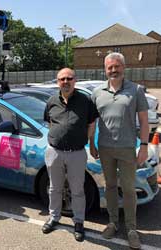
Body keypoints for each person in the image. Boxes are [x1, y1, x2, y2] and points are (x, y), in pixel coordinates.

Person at [91, 52, 149, 249]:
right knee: (110, 187)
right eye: (110, 67)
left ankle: (132, 229)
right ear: (105, 70)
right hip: (105, 148)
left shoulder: (136, 90)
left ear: (123, 68)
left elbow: (143, 120)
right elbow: (92, 121)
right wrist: (91, 143)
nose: (113, 70)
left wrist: (143, 146)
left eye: (117, 66)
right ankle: (113, 223)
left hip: (126, 149)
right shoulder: (97, 92)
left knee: (129, 189)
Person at [42, 68, 97, 242]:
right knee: (54, 188)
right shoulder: (51, 101)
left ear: (75, 80)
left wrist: (89, 143)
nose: (66, 81)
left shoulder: (85, 100)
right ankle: (54, 217)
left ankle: (78, 222)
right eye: (62, 79)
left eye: (69, 78)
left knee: (77, 190)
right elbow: (49, 122)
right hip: (55, 152)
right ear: (57, 82)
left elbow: (91, 124)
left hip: (77, 153)